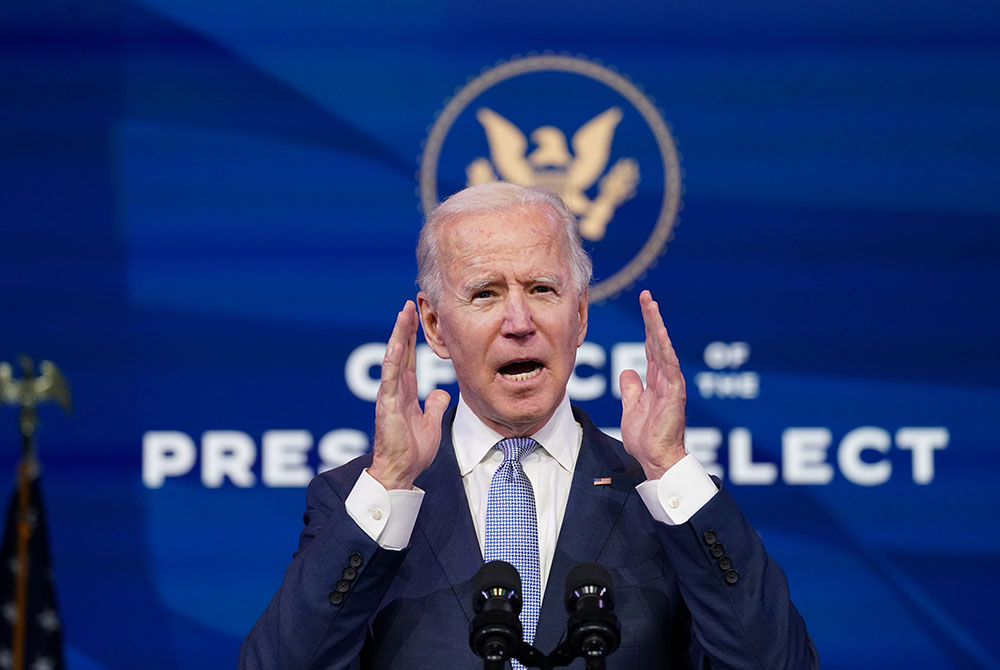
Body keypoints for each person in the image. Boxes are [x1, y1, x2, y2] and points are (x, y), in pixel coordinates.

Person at [239, 183, 818, 669]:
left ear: (581, 313)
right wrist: (388, 481)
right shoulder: (359, 502)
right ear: (436, 327)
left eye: (542, 289)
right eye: (486, 294)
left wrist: (670, 471)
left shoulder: (662, 500)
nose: (520, 322)